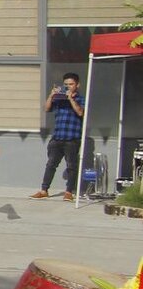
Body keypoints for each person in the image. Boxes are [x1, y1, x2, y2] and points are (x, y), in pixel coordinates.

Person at [34, 72, 86, 201]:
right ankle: (44, 190)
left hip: (72, 138)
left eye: (71, 84)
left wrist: (71, 99)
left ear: (77, 85)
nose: (68, 87)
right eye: (66, 84)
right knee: (51, 164)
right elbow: (46, 109)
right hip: (57, 137)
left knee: (71, 166)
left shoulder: (81, 99)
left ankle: (69, 192)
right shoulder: (59, 99)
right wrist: (51, 96)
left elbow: (80, 112)